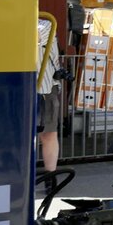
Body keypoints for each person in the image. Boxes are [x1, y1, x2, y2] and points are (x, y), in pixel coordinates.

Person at [36, 17, 63, 173]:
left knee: (48, 134)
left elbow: (33, 37)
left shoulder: (45, 24)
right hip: (22, 86)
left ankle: (50, 176)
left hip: (45, 88)